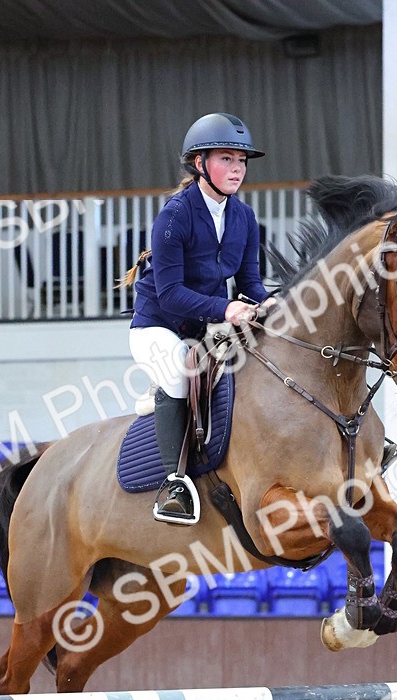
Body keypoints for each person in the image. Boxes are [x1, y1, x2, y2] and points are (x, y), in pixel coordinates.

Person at [129, 112, 271, 524]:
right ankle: (173, 485)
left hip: (206, 327)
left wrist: (273, 306)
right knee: (176, 376)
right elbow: (171, 295)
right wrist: (227, 308)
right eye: (226, 158)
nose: (237, 169)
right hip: (159, 326)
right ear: (200, 164)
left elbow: (250, 283)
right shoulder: (175, 215)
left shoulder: (244, 218)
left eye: (241, 161)